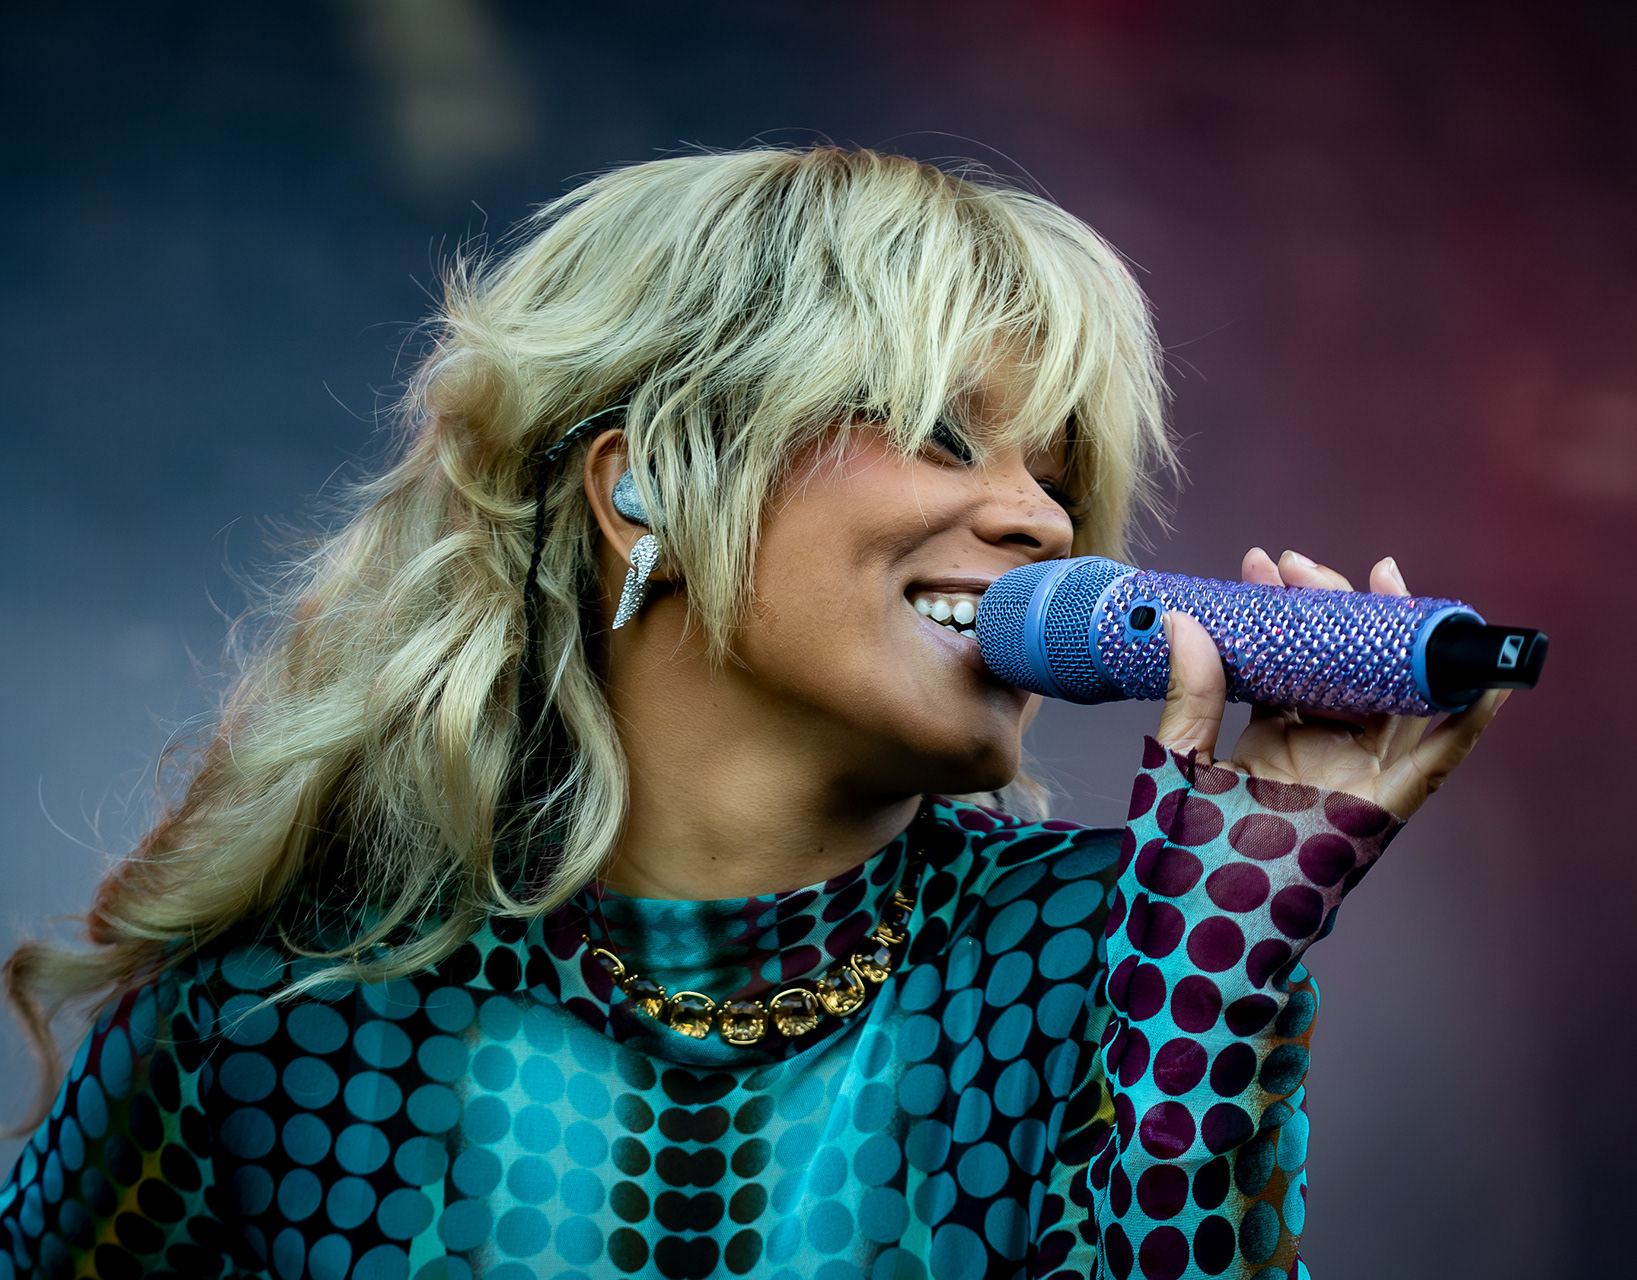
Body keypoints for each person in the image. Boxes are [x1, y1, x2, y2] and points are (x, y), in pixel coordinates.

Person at [0, 146, 1503, 1280]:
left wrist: (1205, 993)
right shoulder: (280, 1027)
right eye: (938, 433)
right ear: (644, 485)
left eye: (1057, 476)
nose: (1045, 524)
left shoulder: (1128, 946)